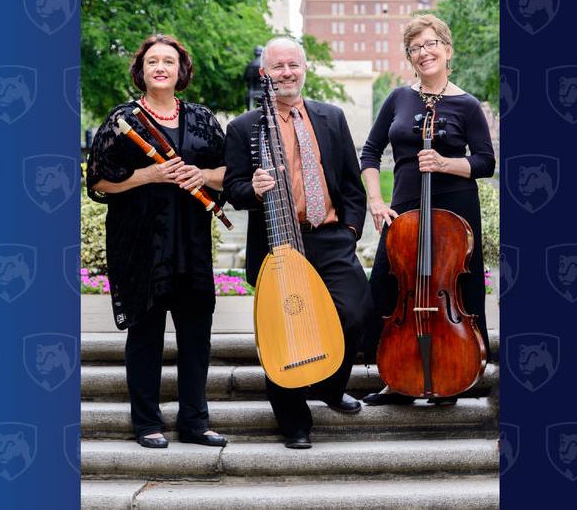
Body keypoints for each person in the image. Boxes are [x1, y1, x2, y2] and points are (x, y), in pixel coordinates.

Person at [223, 37, 372, 449]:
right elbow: (232, 189)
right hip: (277, 242)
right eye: (277, 66)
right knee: (283, 329)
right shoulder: (243, 127)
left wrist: (351, 231)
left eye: (293, 64)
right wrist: (250, 188)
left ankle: (327, 385)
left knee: (357, 311)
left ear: (304, 68)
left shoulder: (331, 117)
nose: (286, 72)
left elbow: (350, 183)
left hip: (329, 238)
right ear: (265, 74)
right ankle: (294, 422)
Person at [86, 34, 227, 448]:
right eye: (153, 62)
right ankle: (147, 422)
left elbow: (227, 171)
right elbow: (98, 181)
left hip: (191, 241)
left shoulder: (201, 118)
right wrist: (149, 175)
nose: (161, 67)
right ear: (142, 71)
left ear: (181, 70)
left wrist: (201, 176)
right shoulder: (122, 119)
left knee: (196, 334)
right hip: (141, 243)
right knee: (146, 334)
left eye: (169, 61)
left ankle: (195, 422)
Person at [359, 14, 496, 406]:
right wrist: (375, 200)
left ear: (447, 49)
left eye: (431, 43)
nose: (424, 52)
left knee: (454, 290)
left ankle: (455, 372)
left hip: (455, 213)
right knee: (387, 286)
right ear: (409, 57)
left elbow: (485, 162)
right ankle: (398, 376)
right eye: (416, 47)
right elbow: (370, 153)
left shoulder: (467, 105)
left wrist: (444, 163)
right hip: (403, 209)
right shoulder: (399, 98)